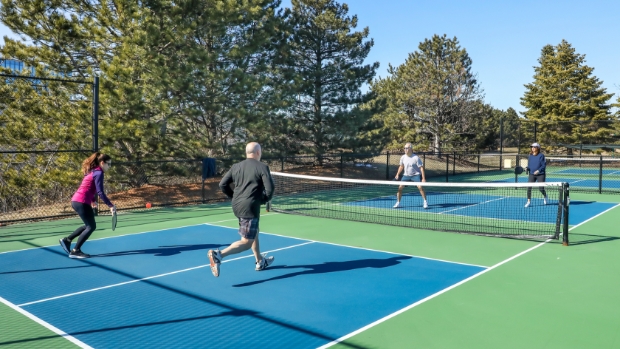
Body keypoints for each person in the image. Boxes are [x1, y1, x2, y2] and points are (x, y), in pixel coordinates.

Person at [208, 142, 275, 277]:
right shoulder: (262, 167)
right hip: (249, 207)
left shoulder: (236, 166)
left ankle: (259, 261)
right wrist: (261, 200)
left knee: (254, 231)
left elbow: (223, 184)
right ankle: (219, 255)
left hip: (237, 206)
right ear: (258, 153)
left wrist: (234, 196)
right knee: (246, 242)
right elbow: (270, 190)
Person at [59, 153, 116, 259]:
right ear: (102, 163)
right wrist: (110, 205)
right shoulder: (99, 173)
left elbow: (89, 187)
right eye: (109, 164)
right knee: (91, 226)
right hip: (81, 201)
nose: (109, 167)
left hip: (77, 200)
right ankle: (75, 251)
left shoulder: (92, 171)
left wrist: (93, 200)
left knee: (88, 225)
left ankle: (67, 240)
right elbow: (100, 192)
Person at [393, 142, 428, 209]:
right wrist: (397, 174)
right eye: (404, 148)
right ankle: (398, 202)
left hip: (416, 175)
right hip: (406, 175)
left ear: (411, 149)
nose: (405, 149)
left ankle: (425, 201)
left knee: (420, 187)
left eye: (406, 148)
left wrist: (423, 178)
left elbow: (421, 168)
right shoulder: (403, 157)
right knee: (400, 188)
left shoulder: (416, 158)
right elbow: (401, 166)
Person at [525, 142, 548, 208]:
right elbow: (529, 165)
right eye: (532, 147)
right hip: (532, 174)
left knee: (541, 188)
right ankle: (528, 201)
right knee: (529, 188)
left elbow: (544, 165)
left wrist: (538, 171)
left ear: (538, 148)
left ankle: (545, 196)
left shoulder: (541, 156)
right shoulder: (530, 156)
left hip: (540, 174)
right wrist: (527, 168)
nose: (532, 148)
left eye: (534, 147)